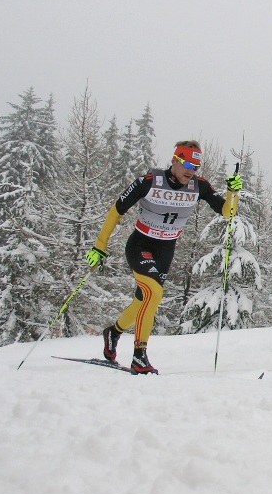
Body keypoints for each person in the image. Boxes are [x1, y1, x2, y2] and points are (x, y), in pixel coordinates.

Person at [86, 140, 242, 375]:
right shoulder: (150, 181)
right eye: (188, 164)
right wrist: (100, 247)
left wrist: (233, 192)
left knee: (143, 300)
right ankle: (139, 356)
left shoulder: (198, 186)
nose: (192, 171)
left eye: (196, 166)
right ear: (175, 160)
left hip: (166, 249)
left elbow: (228, 212)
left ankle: (114, 332)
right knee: (154, 293)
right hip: (141, 244)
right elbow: (116, 210)